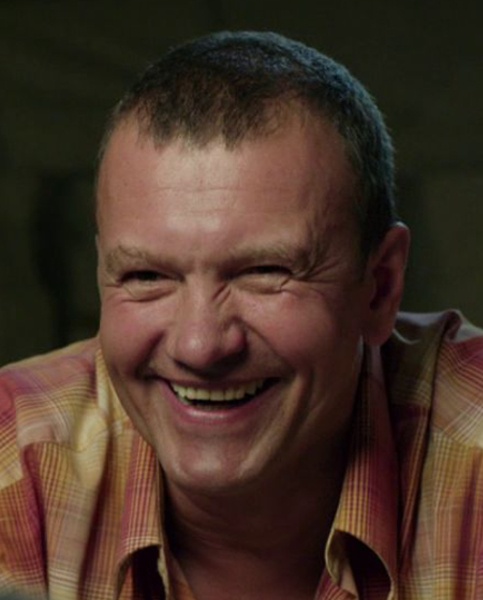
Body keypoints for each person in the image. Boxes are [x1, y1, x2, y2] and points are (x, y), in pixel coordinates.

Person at [1, 30, 483, 600]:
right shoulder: (16, 465)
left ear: (379, 289)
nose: (200, 346)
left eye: (264, 271)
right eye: (147, 277)